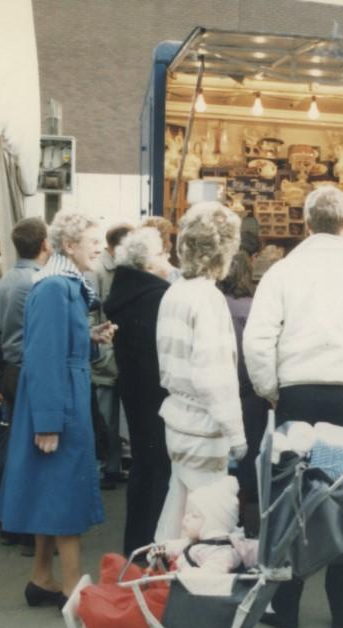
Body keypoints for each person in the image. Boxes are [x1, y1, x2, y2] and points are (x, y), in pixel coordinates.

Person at [244, 186, 343, 628]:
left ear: (305, 222)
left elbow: (258, 340)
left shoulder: (283, 272)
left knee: (290, 498)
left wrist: (271, 389)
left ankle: (286, 606)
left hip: (296, 397)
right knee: (341, 498)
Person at [0, 211, 114, 608]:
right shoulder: (54, 288)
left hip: (62, 397)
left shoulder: (62, 284)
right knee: (65, 493)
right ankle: (73, 589)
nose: (100, 247)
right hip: (58, 402)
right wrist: (47, 422)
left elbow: (59, 348)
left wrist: (91, 338)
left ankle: (43, 578)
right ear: (68, 246)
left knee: (53, 488)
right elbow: (44, 358)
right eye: (92, 241)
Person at [153, 202, 247, 547]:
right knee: (210, 521)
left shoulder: (175, 292)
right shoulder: (207, 299)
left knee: (178, 510)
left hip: (178, 419)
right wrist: (236, 436)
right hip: (203, 428)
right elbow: (214, 377)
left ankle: (159, 581)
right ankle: (198, 592)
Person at [101, 227, 174, 554]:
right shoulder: (158, 298)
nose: (168, 258)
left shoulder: (125, 294)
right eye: (161, 254)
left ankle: (137, 545)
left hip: (135, 391)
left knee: (145, 467)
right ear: (146, 262)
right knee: (159, 470)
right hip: (159, 395)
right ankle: (152, 549)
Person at [0, 217, 51, 556]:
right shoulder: (45, 283)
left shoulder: (2, 285)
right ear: (45, 245)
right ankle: (32, 534)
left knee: (14, 448)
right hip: (38, 371)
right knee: (42, 450)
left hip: (11, 371)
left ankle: (10, 524)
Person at [216, 249, 269, 531]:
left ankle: (219, 515)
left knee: (218, 454)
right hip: (250, 392)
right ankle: (239, 514)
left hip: (220, 388)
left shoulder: (215, 305)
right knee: (247, 454)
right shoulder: (255, 307)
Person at [90, 223, 133, 490]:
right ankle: (105, 468)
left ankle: (113, 468)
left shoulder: (122, 268)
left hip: (119, 351)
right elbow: (92, 315)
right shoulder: (97, 271)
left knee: (117, 416)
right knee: (105, 415)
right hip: (105, 352)